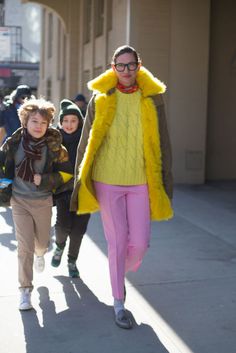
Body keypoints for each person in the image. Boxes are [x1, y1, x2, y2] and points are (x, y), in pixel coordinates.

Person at [70, 45, 174, 329]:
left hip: (140, 180)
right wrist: (80, 174)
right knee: (117, 243)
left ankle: (117, 272)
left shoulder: (153, 96)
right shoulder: (100, 96)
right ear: (113, 66)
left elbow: (163, 139)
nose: (126, 70)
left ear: (139, 65)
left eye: (131, 65)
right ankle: (118, 301)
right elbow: (88, 139)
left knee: (139, 244)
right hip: (107, 179)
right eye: (121, 65)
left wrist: (166, 176)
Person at [0, 98, 73, 311]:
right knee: (24, 247)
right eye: (34, 121)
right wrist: (3, 185)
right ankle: (25, 290)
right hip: (19, 201)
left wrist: (47, 179)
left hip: (42, 201)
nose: (39, 126)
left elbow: (67, 172)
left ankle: (41, 253)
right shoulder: (13, 144)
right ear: (25, 121)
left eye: (43, 122)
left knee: (41, 243)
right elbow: (2, 166)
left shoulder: (54, 147)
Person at [51, 99, 90, 277]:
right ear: (60, 122)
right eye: (65, 121)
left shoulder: (87, 139)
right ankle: (59, 246)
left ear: (79, 122)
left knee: (78, 230)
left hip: (84, 191)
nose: (69, 124)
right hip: (63, 190)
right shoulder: (54, 140)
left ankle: (72, 261)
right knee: (62, 226)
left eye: (73, 120)